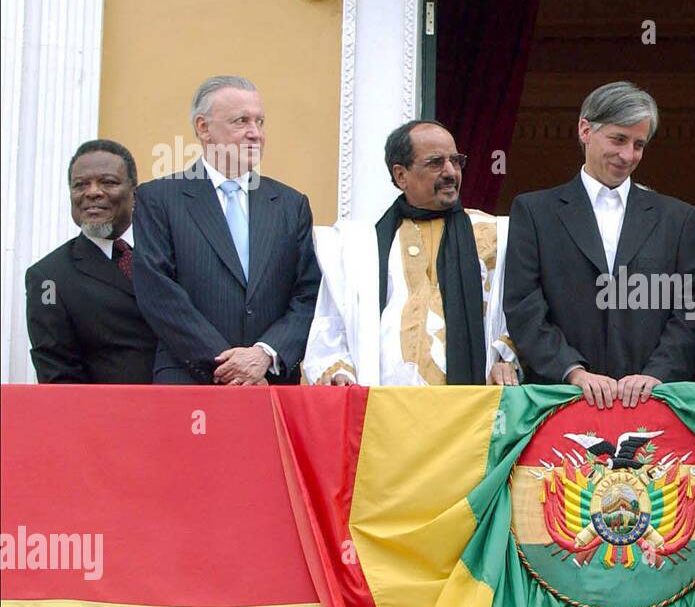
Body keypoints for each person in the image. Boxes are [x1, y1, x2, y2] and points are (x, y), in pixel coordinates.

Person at [504, 82, 695, 408]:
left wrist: (656, 375)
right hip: (560, 399)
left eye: (639, 144)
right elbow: (524, 306)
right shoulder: (534, 212)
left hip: (651, 401)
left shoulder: (677, 218)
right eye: (618, 139)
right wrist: (572, 372)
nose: (628, 155)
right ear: (585, 129)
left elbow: (689, 313)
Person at [133, 75, 320, 385]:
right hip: (190, 381)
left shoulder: (290, 204)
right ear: (203, 127)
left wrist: (263, 355)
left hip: (269, 382)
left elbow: (309, 293)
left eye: (260, 122)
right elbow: (159, 294)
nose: (255, 133)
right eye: (241, 121)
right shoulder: (159, 198)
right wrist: (231, 365)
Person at [304, 120, 517, 386]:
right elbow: (332, 325)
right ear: (400, 175)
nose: (451, 172)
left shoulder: (495, 235)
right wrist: (340, 373)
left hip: (470, 408)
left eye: (455, 160)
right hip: (384, 406)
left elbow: (519, 310)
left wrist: (507, 359)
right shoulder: (359, 246)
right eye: (435, 163)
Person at [24, 140, 158, 383]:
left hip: (192, 409)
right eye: (80, 185)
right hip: (114, 416)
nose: (92, 192)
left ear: (134, 193)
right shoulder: (48, 278)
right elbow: (58, 375)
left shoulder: (171, 251)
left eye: (108, 182)